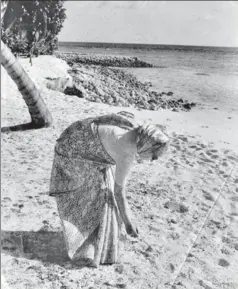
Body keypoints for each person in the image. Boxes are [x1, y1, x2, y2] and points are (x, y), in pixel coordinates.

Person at [49, 111, 169, 267]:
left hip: (74, 139)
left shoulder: (132, 128)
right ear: (147, 146)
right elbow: (119, 193)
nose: (152, 160)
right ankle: (86, 245)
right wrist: (128, 223)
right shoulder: (127, 154)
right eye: (154, 156)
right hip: (71, 153)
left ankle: (93, 237)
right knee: (102, 197)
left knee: (106, 180)